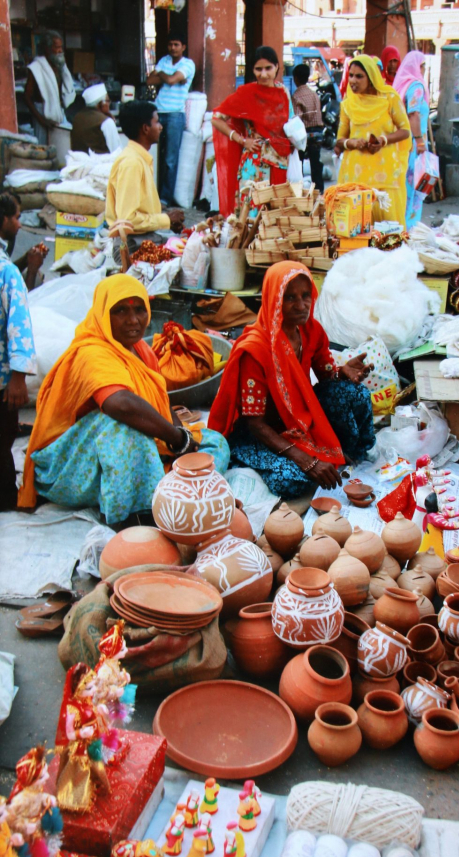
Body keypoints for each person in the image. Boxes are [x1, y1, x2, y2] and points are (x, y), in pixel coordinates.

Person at [18, 274, 229, 524]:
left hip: (118, 458)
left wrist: (183, 437)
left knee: (213, 442)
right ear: (103, 314)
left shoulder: (141, 350)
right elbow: (119, 404)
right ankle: (132, 516)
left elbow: (161, 399)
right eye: (120, 311)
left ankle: (167, 483)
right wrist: (175, 438)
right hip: (71, 467)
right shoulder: (91, 352)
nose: (133, 320)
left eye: (139, 310)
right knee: (123, 427)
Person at [209, 261, 375, 499]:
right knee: (293, 480)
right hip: (262, 433)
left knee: (355, 394)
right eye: (290, 298)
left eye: (306, 295)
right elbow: (255, 423)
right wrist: (306, 460)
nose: (301, 305)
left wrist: (342, 372)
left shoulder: (310, 330)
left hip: (299, 419)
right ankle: (253, 463)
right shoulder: (255, 350)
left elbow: (327, 375)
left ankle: (348, 457)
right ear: (273, 300)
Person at [212, 46, 293, 217]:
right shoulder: (246, 94)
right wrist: (242, 140)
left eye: (268, 68)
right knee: (251, 216)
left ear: (278, 67)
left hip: (280, 162)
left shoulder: (283, 92)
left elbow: (290, 125)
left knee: (275, 217)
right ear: (252, 70)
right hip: (254, 164)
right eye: (258, 69)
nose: (263, 74)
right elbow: (216, 118)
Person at [335, 54, 411, 226]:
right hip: (355, 177)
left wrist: (383, 140)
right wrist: (351, 143)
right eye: (351, 75)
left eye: (359, 76)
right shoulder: (348, 104)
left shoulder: (389, 98)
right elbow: (340, 139)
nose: (353, 80)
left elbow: (405, 130)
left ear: (371, 78)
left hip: (386, 176)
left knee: (388, 235)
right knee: (356, 232)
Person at [0, 194, 38, 511]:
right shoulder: (7, 272)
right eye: (16, 217)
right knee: (2, 439)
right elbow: (20, 325)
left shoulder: (8, 271)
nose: (19, 223)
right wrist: (17, 378)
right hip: (3, 380)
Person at [106, 101, 184, 245]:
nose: (160, 127)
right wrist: (166, 219)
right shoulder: (132, 163)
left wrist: (168, 222)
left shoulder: (140, 159)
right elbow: (127, 220)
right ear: (145, 128)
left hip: (142, 237)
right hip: (131, 244)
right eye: (157, 122)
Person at [147, 31, 196, 206]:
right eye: (170, 44)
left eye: (176, 44)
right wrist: (166, 76)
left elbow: (172, 80)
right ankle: (153, 195)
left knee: (170, 158)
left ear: (183, 47)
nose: (173, 48)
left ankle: (165, 198)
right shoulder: (164, 61)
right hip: (158, 113)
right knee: (156, 156)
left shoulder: (188, 64)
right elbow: (149, 80)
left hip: (175, 115)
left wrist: (162, 75)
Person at [394, 50, 430, 231]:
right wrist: (421, 141)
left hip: (405, 143)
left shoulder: (403, 85)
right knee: (415, 187)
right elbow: (413, 114)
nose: (424, 70)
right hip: (415, 144)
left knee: (406, 186)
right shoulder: (416, 85)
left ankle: (403, 226)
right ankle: (409, 228)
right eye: (423, 66)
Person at [24, 31, 76, 145]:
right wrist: (41, 120)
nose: (60, 51)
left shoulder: (59, 65)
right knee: (43, 150)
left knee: (60, 148)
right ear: (47, 49)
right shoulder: (36, 67)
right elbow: (27, 97)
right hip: (41, 114)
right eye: (57, 47)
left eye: (61, 47)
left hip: (58, 114)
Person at [292, 64, 324, 193]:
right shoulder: (313, 94)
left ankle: (299, 190)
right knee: (315, 163)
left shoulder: (296, 96)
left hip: (304, 134)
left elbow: (297, 119)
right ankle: (319, 190)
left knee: (298, 162)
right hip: (318, 133)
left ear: (296, 79)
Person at [71, 83, 120, 154]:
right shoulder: (106, 122)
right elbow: (116, 151)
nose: (109, 104)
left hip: (77, 162)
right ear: (102, 103)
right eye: (108, 101)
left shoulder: (77, 117)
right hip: (101, 164)